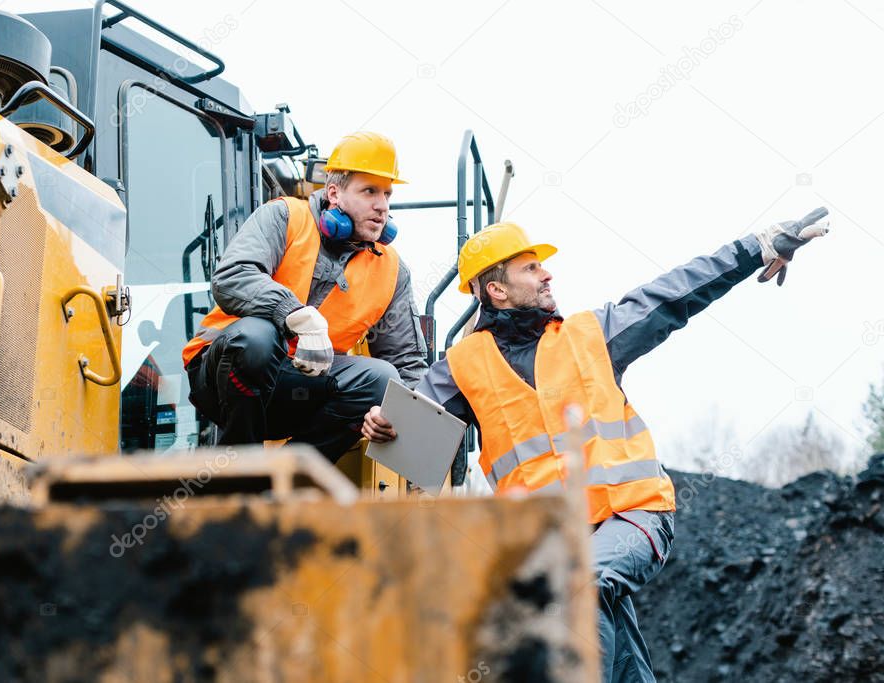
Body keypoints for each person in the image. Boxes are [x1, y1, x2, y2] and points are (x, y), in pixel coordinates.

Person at [361, 210, 830, 681]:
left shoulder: (592, 335)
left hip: (634, 514)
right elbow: (403, 430)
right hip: (554, 546)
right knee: (618, 656)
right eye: (530, 267)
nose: (547, 273)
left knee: (579, 590)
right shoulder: (462, 367)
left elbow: (676, 292)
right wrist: (379, 423)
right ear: (496, 290)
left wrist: (758, 246)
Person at [182, 131, 427, 462]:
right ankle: (239, 475)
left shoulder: (393, 270)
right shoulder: (285, 217)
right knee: (257, 337)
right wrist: (296, 315)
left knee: (383, 380)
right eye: (369, 191)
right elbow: (232, 276)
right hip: (226, 378)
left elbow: (407, 363)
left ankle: (288, 479)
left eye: (386, 194)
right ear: (334, 193)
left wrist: (398, 417)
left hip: (301, 387)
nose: (382, 206)